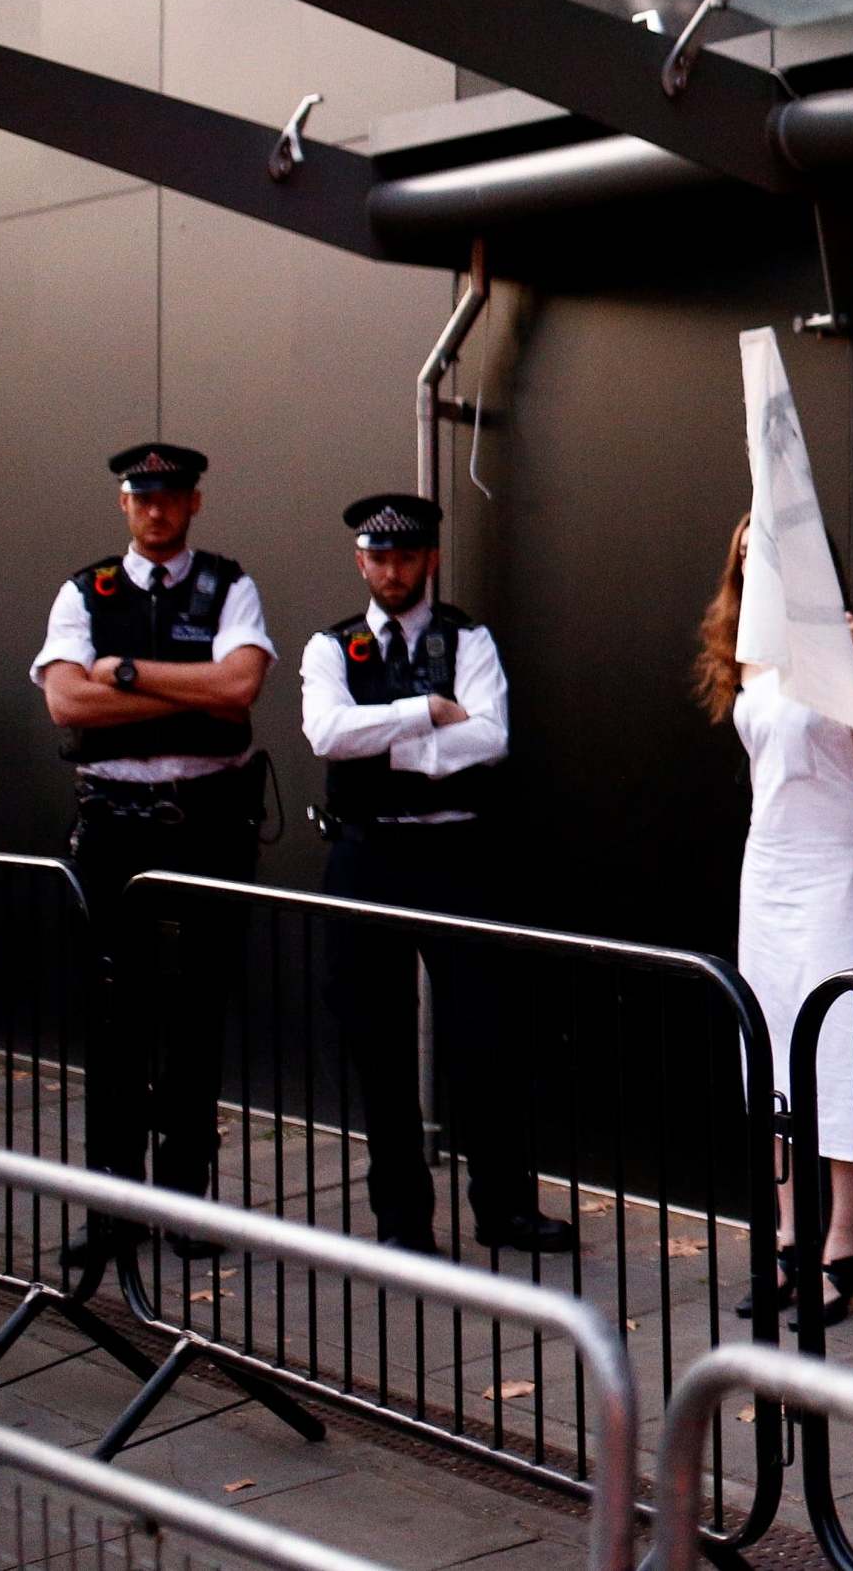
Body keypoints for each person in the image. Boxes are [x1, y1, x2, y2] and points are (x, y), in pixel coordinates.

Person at [300, 494, 570, 1257]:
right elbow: (325, 731)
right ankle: (401, 1218)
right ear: (361, 561)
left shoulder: (468, 637)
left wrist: (383, 741)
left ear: (430, 559)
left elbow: (490, 739)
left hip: (460, 855)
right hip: (366, 855)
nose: (392, 569)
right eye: (378, 557)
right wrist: (426, 711)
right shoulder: (333, 646)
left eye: (406, 555)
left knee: (483, 1034)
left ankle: (505, 1207)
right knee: (376, 1040)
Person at [33, 444, 273, 1265]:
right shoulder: (86, 589)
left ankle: (183, 1203)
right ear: (124, 505)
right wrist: (187, 683)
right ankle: (112, 1209)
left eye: (172, 496)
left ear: (195, 502)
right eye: (143, 496)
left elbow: (240, 687)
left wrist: (125, 675)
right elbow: (65, 698)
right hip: (115, 824)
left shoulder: (229, 586)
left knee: (199, 1015)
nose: (158, 509)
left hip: (209, 823)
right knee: (115, 1017)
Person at [693, 515, 853, 1327]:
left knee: (848, 1048)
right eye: (746, 555)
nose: (759, 565)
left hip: (842, 871)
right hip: (773, 872)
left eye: (771, 551)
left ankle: (846, 1242)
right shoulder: (744, 652)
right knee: (777, 1048)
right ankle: (788, 1236)